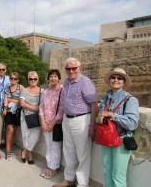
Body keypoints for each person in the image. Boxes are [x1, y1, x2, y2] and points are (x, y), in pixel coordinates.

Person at [53, 58, 97, 187]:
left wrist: (92, 126)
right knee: (68, 151)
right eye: (68, 69)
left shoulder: (85, 82)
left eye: (74, 68)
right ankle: (68, 179)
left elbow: (94, 105)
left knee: (83, 153)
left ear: (79, 68)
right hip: (67, 119)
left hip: (81, 120)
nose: (71, 71)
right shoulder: (66, 81)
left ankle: (82, 183)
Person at [98, 68, 139, 187]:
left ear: (124, 82)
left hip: (121, 139)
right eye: (113, 77)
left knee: (117, 176)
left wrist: (112, 115)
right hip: (106, 138)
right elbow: (100, 115)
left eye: (119, 78)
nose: (116, 80)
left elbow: (132, 123)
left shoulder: (130, 100)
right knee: (107, 172)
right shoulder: (105, 97)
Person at [39, 69, 63, 179]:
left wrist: (52, 124)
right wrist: (43, 122)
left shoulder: (62, 90)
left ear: (59, 78)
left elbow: (61, 109)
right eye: (51, 76)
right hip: (46, 123)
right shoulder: (45, 92)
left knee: (56, 147)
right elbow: (41, 107)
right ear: (48, 78)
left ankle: (54, 168)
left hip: (56, 124)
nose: (53, 78)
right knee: (49, 146)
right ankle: (49, 166)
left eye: (55, 76)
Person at [19, 71, 41, 164]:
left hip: (37, 118)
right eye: (31, 79)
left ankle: (24, 151)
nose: (33, 80)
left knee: (35, 137)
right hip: (25, 117)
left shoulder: (41, 91)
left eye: (35, 79)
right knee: (26, 136)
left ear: (38, 80)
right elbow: (22, 103)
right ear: (28, 80)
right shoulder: (24, 90)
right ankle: (30, 153)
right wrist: (34, 108)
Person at [3, 72, 24, 157]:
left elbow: (24, 97)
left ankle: (10, 147)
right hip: (9, 111)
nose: (13, 80)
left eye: (15, 78)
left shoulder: (21, 87)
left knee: (14, 130)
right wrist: (16, 101)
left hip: (17, 112)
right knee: (10, 129)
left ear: (18, 80)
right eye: (11, 78)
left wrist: (12, 100)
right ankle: (8, 151)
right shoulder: (7, 88)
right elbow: (6, 99)